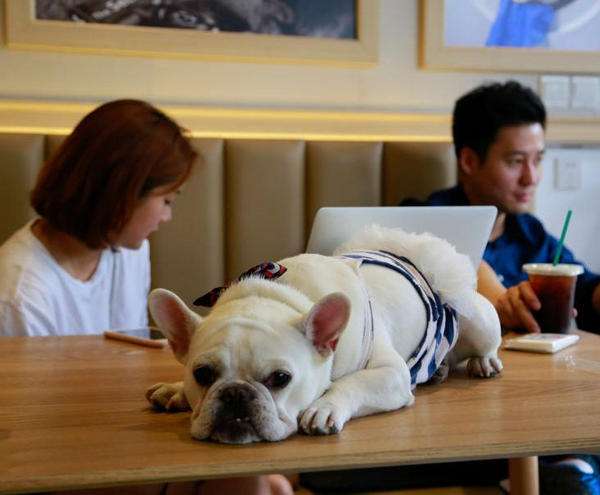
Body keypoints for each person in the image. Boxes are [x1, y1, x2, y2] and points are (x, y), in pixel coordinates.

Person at [0, 99, 292, 495]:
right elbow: (31, 434)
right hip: (62, 461)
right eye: (167, 201)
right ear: (122, 193)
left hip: (120, 435)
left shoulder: (125, 249)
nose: (167, 217)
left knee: (260, 482)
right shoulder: (19, 293)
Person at [402, 80, 600, 495]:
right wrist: (498, 301)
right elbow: (463, 265)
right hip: (460, 419)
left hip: (544, 410)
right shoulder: (421, 218)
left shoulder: (530, 232)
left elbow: (584, 286)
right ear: (469, 160)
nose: (532, 178)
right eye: (515, 161)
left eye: (538, 160)